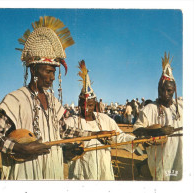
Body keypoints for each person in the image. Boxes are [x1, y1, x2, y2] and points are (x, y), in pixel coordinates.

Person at [0, 16, 75, 180]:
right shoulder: (14, 100)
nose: (52, 77)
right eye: (48, 71)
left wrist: (70, 147)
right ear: (33, 71)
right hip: (26, 173)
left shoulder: (53, 101)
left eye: (54, 72)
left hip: (54, 172)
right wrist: (17, 148)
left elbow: (64, 131)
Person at [62, 60, 136, 180]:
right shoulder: (71, 122)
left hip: (103, 171)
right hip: (80, 174)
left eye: (90, 105)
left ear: (95, 104)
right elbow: (61, 146)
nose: (86, 108)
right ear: (78, 103)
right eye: (83, 104)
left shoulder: (104, 119)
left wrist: (136, 140)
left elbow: (119, 136)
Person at [133, 52, 183, 181]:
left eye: (169, 91)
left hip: (181, 159)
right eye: (162, 90)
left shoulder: (182, 107)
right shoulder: (150, 108)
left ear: (174, 90)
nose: (165, 94)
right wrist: (158, 131)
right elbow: (137, 130)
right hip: (161, 161)